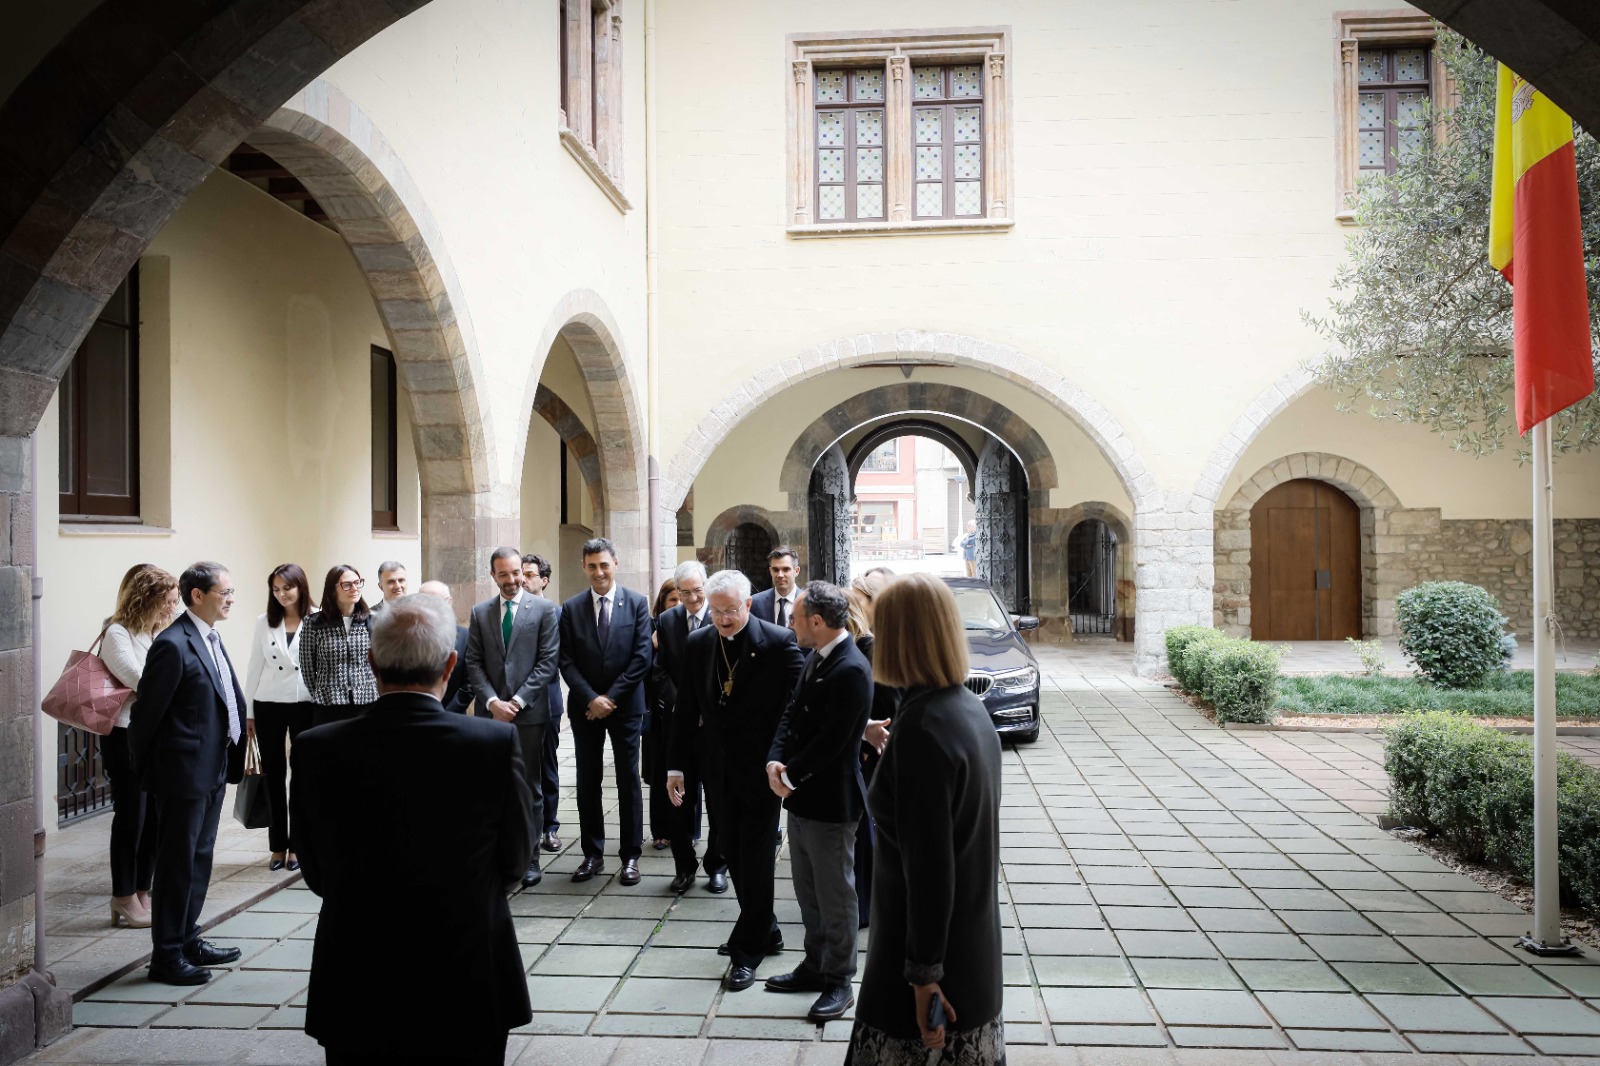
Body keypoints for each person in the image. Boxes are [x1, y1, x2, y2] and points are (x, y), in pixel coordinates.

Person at [292, 593, 535, 1065]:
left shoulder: (316, 748)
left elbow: (315, 868)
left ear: (371, 662)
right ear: (450, 665)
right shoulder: (491, 743)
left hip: (358, 968)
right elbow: (515, 858)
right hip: (466, 965)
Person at [845, 573, 1003, 1064]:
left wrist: (924, 980)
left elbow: (931, 870)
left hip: (927, 963)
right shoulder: (967, 708)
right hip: (972, 947)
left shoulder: (923, 728)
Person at [667, 568, 804, 992]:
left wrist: (784, 758)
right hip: (717, 767)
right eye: (716, 611)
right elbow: (686, 708)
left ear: (748, 603)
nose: (723, 619)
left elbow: (798, 704)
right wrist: (675, 766)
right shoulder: (699, 641)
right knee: (731, 849)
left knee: (756, 857)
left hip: (763, 769)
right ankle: (768, 929)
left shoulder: (778, 642)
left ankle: (749, 949)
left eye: (730, 611)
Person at [128, 561, 247, 986]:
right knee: (177, 864)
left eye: (232, 591)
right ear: (198, 595)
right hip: (182, 775)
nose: (231, 598)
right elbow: (145, 715)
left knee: (199, 859)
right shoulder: (173, 644)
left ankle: (188, 938)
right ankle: (166, 956)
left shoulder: (210, 637)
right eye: (225, 592)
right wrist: (151, 773)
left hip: (212, 769)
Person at [766, 581, 873, 1022]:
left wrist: (789, 774)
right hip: (801, 796)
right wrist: (774, 759)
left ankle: (839, 981)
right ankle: (815, 965)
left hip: (831, 801)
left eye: (795, 618)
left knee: (836, 895)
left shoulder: (851, 667)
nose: (790, 624)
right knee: (807, 890)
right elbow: (791, 713)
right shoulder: (817, 655)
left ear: (816, 622)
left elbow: (833, 742)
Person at [559, 538, 652, 885]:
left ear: (616, 563)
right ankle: (592, 854)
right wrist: (590, 699)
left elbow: (642, 657)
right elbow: (565, 659)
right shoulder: (570, 608)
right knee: (587, 781)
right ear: (583, 567)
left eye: (604, 565)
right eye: (592, 566)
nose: (599, 572)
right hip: (585, 710)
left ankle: (630, 856)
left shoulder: (638, 604)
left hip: (626, 707)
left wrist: (610, 698)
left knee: (628, 781)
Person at [465, 547, 559, 888]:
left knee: (530, 788)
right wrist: (491, 702)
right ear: (493, 576)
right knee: (494, 787)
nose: (510, 579)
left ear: (524, 571)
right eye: (502, 574)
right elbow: (473, 662)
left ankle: (530, 860)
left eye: (515, 572)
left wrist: (515, 702)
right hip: (491, 716)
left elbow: (548, 661)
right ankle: (498, 856)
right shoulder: (480, 613)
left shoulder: (546, 610)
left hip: (529, 714)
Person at [100, 564, 180, 929]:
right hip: (124, 734)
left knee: (153, 818)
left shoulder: (154, 633)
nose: (171, 608)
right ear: (146, 599)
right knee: (131, 816)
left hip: (151, 734)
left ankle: (142, 891)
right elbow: (138, 680)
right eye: (167, 601)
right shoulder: (117, 633)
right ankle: (122, 894)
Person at [652, 561, 725, 894]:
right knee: (679, 801)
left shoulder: (721, 616)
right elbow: (660, 671)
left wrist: (706, 710)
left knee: (719, 799)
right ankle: (684, 867)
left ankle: (717, 865)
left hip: (714, 728)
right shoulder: (667, 622)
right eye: (686, 592)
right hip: (679, 728)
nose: (694, 598)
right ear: (676, 592)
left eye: (698, 591)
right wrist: (684, 708)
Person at [243, 564, 317, 873]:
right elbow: (254, 667)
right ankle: (277, 846)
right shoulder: (264, 621)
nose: (282, 594)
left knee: (301, 776)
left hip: (304, 702)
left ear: (300, 587)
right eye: (276, 589)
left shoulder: (316, 617)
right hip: (268, 703)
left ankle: (298, 847)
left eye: (287, 587)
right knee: (272, 776)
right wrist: (248, 712)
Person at [849, 571, 899, 927]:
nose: (851, 606)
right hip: (870, 748)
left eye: (857, 599)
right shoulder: (865, 642)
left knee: (871, 831)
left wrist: (868, 736)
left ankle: (869, 905)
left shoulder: (876, 645)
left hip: (876, 750)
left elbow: (888, 702)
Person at [521, 553, 564, 853]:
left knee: (546, 766)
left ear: (544, 580)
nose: (523, 578)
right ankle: (524, 827)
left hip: (546, 701)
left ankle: (549, 827)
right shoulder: (509, 610)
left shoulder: (557, 613)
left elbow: (556, 660)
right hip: (514, 704)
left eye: (530, 574)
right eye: (521, 573)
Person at [299, 565, 378, 727]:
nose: (354, 588)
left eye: (358, 583)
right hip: (329, 704)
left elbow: (381, 662)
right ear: (333, 589)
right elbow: (307, 666)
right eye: (347, 584)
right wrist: (319, 693)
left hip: (367, 701)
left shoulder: (373, 620)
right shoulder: (314, 623)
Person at [644, 576, 680, 850]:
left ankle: (686, 828)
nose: (678, 605)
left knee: (687, 771)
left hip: (688, 712)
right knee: (659, 772)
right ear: (662, 603)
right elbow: (650, 670)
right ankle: (660, 830)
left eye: (681, 599)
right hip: (658, 712)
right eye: (673, 600)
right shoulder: (652, 629)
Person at [418, 581, 472, 714]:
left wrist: (446, 714)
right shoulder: (410, 636)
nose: (428, 607)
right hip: (417, 716)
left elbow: (470, 683)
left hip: (454, 717)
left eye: (434, 602)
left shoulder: (466, 637)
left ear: (449, 602)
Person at [749, 546, 801, 628]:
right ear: (770, 571)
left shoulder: (809, 603)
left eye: (786, 569)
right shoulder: (755, 603)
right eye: (775, 570)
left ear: (797, 571)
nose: (780, 575)